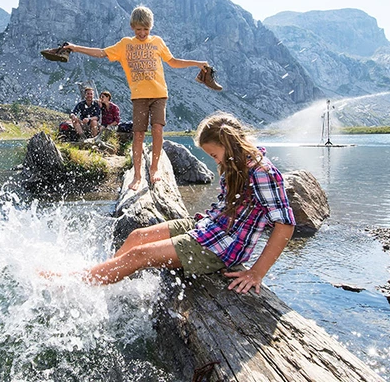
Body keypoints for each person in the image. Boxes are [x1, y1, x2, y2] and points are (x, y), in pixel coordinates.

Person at [73, 112, 296, 293]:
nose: (214, 160)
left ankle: (76, 284)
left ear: (229, 143)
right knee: (137, 237)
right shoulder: (235, 163)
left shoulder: (261, 171)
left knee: (139, 255)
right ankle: (101, 279)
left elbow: (285, 224)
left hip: (222, 247)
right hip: (208, 228)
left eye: (214, 154)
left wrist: (257, 272)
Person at [66, 6, 210, 190]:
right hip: (139, 97)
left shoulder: (157, 42)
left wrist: (197, 64)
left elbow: (173, 62)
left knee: (157, 129)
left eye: (146, 30)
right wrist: (75, 48)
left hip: (159, 95)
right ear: (132, 28)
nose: (142, 33)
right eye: (138, 29)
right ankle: (137, 176)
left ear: (151, 28)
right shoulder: (125, 45)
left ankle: (154, 169)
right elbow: (101, 52)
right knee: (139, 134)